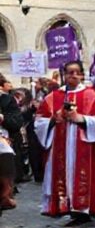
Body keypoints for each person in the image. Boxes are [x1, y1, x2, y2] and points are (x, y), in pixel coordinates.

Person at [34, 60, 95, 225]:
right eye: (70, 72)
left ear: (82, 75)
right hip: (60, 148)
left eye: (77, 72)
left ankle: (83, 212)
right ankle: (66, 208)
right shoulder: (53, 97)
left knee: (82, 177)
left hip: (84, 147)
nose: (73, 75)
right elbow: (39, 121)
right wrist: (53, 120)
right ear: (64, 75)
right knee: (64, 175)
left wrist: (82, 119)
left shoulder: (92, 96)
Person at [0, 75, 22, 213]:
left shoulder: (7, 100)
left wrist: (2, 119)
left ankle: (5, 195)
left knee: (5, 153)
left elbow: (16, 123)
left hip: (3, 139)